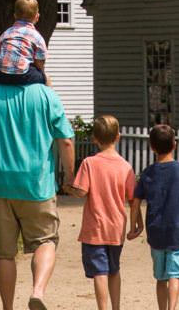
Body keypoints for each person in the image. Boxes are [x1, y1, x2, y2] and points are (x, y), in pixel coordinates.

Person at [0, 82, 75, 310]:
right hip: (37, 185)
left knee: (4, 254)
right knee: (45, 241)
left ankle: (7, 307)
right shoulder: (46, 95)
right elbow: (66, 140)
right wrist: (71, 178)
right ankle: (38, 291)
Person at [127, 124, 179, 310]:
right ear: (175, 144)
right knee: (174, 275)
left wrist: (134, 226)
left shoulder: (148, 173)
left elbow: (135, 202)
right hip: (178, 232)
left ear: (151, 147)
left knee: (161, 278)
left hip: (156, 232)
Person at [65, 115, 136, 310]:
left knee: (100, 272)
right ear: (118, 137)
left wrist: (69, 187)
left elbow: (82, 191)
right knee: (114, 270)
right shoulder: (125, 166)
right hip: (116, 228)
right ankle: (116, 307)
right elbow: (133, 198)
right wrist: (136, 224)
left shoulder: (89, 163)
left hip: (94, 228)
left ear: (95, 139)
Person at [0, 0, 50, 86]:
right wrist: (43, 76)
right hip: (21, 75)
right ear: (37, 16)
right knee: (45, 78)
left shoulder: (6, 33)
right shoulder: (37, 37)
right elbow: (40, 63)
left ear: (14, 16)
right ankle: (48, 98)